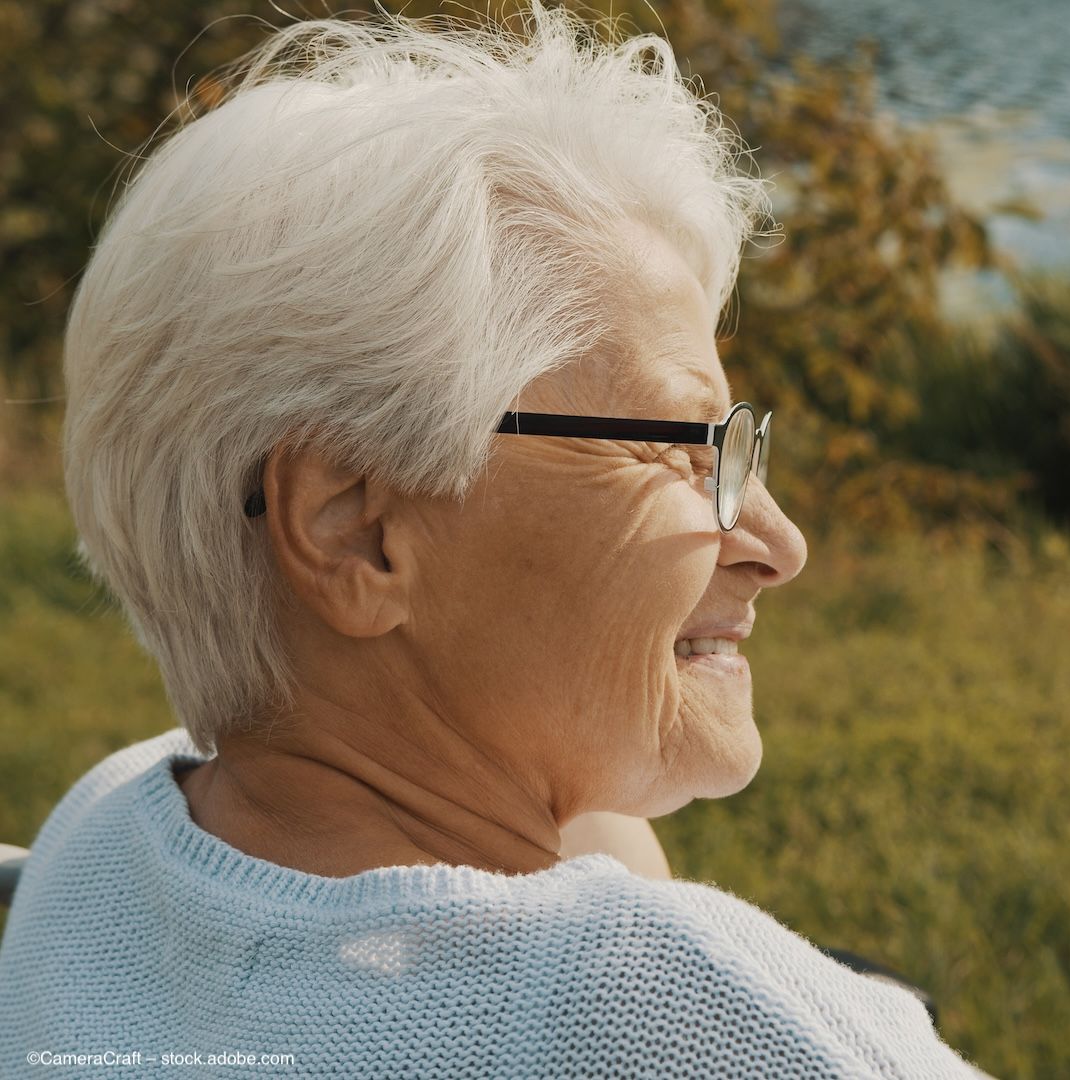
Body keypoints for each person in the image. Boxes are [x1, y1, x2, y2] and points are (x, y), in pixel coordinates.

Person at [0, 5, 987, 1076]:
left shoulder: (104, 839)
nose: (774, 541)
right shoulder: (681, 1006)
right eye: (678, 450)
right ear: (357, 528)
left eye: (733, 447)